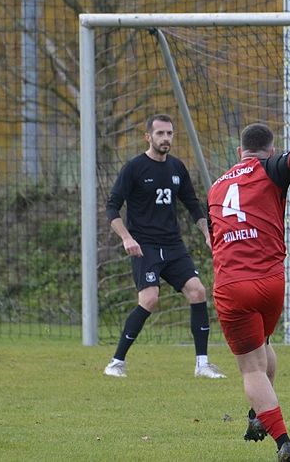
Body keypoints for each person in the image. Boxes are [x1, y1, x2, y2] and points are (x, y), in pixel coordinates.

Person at [208, 117, 290, 462]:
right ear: (270, 150)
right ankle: (257, 416)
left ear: (240, 152)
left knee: (250, 368)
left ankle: (283, 441)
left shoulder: (216, 186)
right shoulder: (271, 169)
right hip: (271, 283)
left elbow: (214, 237)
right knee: (264, 346)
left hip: (233, 286)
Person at [102, 114, 225, 380]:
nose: (165, 138)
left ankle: (202, 364)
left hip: (173, 245)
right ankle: (116, 362)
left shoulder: (177, 168)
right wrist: (126, 238)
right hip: (144, 246)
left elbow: (193, 205)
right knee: (149, 299)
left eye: (169, 133)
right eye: (160, 133)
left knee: (198, 291)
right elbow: (112, 207)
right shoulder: (134, 168)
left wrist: (207, 233)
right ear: (148, 137)